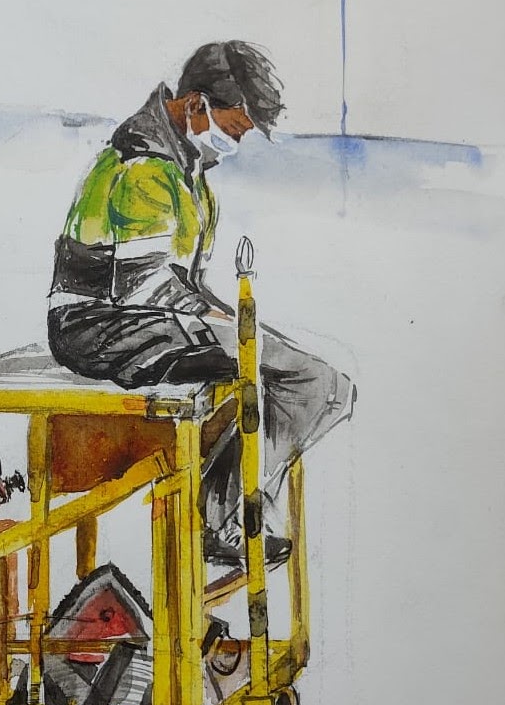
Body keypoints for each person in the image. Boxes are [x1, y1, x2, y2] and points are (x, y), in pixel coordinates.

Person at [47, 41, 354, 567]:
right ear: (195, 106)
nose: (234, 144)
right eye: (233, 130)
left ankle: (224, 508)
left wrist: (225, 319)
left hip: (139, 321)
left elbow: (175, 281)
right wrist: (222, 322)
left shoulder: (182, 167)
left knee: (310, 380)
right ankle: (217, 515)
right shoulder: (143, 166)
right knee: (308, 381)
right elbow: (145, 286)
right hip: (100, 327)